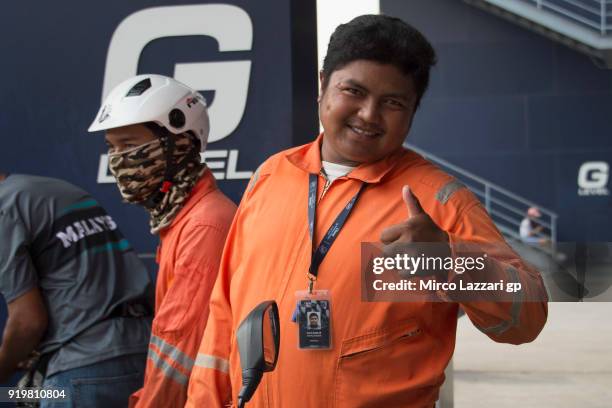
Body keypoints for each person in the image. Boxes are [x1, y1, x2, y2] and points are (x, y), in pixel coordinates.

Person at [185, 15, 548, 407]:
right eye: (353, 91)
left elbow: (528, 316)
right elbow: (224, 316)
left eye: (393, 102)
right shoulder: (271, 177)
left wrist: (449, 262)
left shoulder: (437, 200)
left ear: (413, 110)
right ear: (323, 84)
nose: (369, 115)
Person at [88, 74, 236, 408]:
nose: (117, 160)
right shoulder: (178, 222)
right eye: (112, 148)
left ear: (180, 143)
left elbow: (179, 350)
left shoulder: (205, 225)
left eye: (129, 145)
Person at [0, 173, 153, 407]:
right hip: (141, 355)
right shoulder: (59, 188)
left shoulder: (5, 207)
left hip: (80, 371)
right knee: (19, 395)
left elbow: (27, 322)